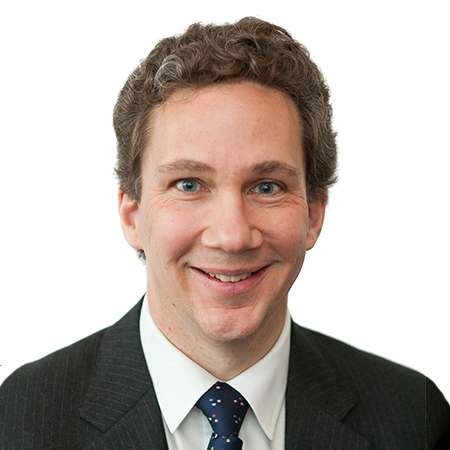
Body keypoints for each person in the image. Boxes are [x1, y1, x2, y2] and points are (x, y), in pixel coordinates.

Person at [0, 17, 449, 450]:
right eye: (189, 185)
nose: (232, 237)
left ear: (314, 214)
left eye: (267, 187)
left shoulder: (414, 417)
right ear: (132, 215)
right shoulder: (20, 417)